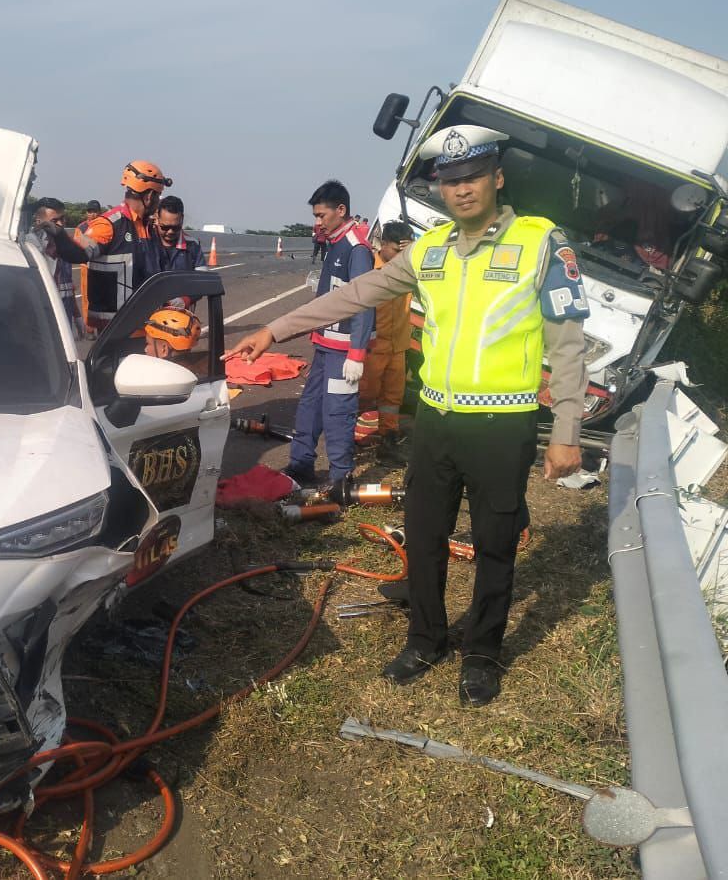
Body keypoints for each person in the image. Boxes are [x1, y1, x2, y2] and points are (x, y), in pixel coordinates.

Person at [224, 125, 589, 707]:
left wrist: (566, 431)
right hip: (437, 424)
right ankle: (426, 640)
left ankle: (483, 654)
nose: (462, 190)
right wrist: (275, 328)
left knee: (495, 544)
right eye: (450, 181)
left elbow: (569, 345)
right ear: (441, 189)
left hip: (504, 425)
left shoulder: (541, 243)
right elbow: (355, 294)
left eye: (473, 178)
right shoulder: (433, 248)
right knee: (423, 538)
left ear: (496, 179)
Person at [279, 180, 374, 488]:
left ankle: (340, 478)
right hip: (324, 346)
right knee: (309, 407)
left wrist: (357, 354)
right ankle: (301, 464)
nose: (317, 222)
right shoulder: (335, 243)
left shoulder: (356, 249)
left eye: (321, 215)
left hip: (343, 352)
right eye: (315, 216)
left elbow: (364, 301)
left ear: (341, 210)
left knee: (338, 413)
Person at [49, 161, 171, 331]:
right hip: (116, 331)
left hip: (146, 326)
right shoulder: (108, 225)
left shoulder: (149, 228)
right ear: (149, 196)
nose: (158, 201)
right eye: (158, 196)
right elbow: (79, 254)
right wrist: (58, 235)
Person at [355, 220, 413, 451]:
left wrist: (415, 251)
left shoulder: (410, 269)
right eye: (396, 251)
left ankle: (388, 438)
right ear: (384, 244)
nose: (400, 256)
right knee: (364, 393)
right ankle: (347, 436)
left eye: (404, 252)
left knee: (392, 397)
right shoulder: (366, 267)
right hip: (373, 347)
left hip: (397, 346)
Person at [28, 197, 84, 338]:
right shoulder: (31, 248)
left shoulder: (64, 248)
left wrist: (77, 318)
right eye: (54, 221)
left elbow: (68, 290)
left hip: (64, 320)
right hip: (41, 322)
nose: (60, 224)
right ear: (39, 222)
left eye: (62, 219)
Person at [153, 196, 207, 273]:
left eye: (175, 227)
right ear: (157, 218)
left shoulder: (193, 245)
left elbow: (203, 279)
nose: (170, 231)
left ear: (182, 219)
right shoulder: (146, 242)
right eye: (165, 227)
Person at [143, 306, 202, 372]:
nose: (145, 349)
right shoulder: (196, 369)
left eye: (148, 343)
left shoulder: (159, 378)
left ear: (164, 349)